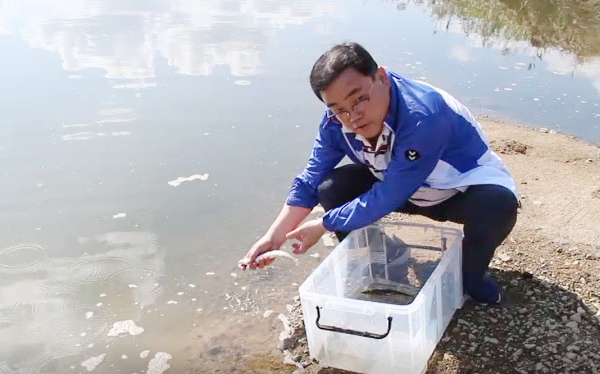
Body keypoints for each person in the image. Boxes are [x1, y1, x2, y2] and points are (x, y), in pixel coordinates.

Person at [238, 41, 520, 305]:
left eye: (359, 98)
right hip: (397, 184)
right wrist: (274, 237)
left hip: (457, 191)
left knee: (498, 205)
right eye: (338, 109)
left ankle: (471, 275)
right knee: (330, 187)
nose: (353, 116)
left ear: (381, 77)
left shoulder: (422, 115)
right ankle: (386, 256)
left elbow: (388, 195)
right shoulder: (335, 123)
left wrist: (324, 224)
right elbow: (309, 180)